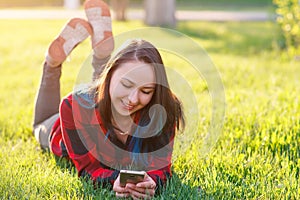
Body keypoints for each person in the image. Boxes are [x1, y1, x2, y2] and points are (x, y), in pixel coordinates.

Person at [33, 0, 184, 198]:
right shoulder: (72, 107)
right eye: (127, 85)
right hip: (64, 127)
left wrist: (152, 181)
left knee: (106, 97)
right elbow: (88, 169)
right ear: (110, 74)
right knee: (40, 126)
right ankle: (52, 64)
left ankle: (101, 56)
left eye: (146, 91)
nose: (133, 99)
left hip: (100, 101)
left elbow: (161, 166)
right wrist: (113, 181)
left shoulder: (163, 108)